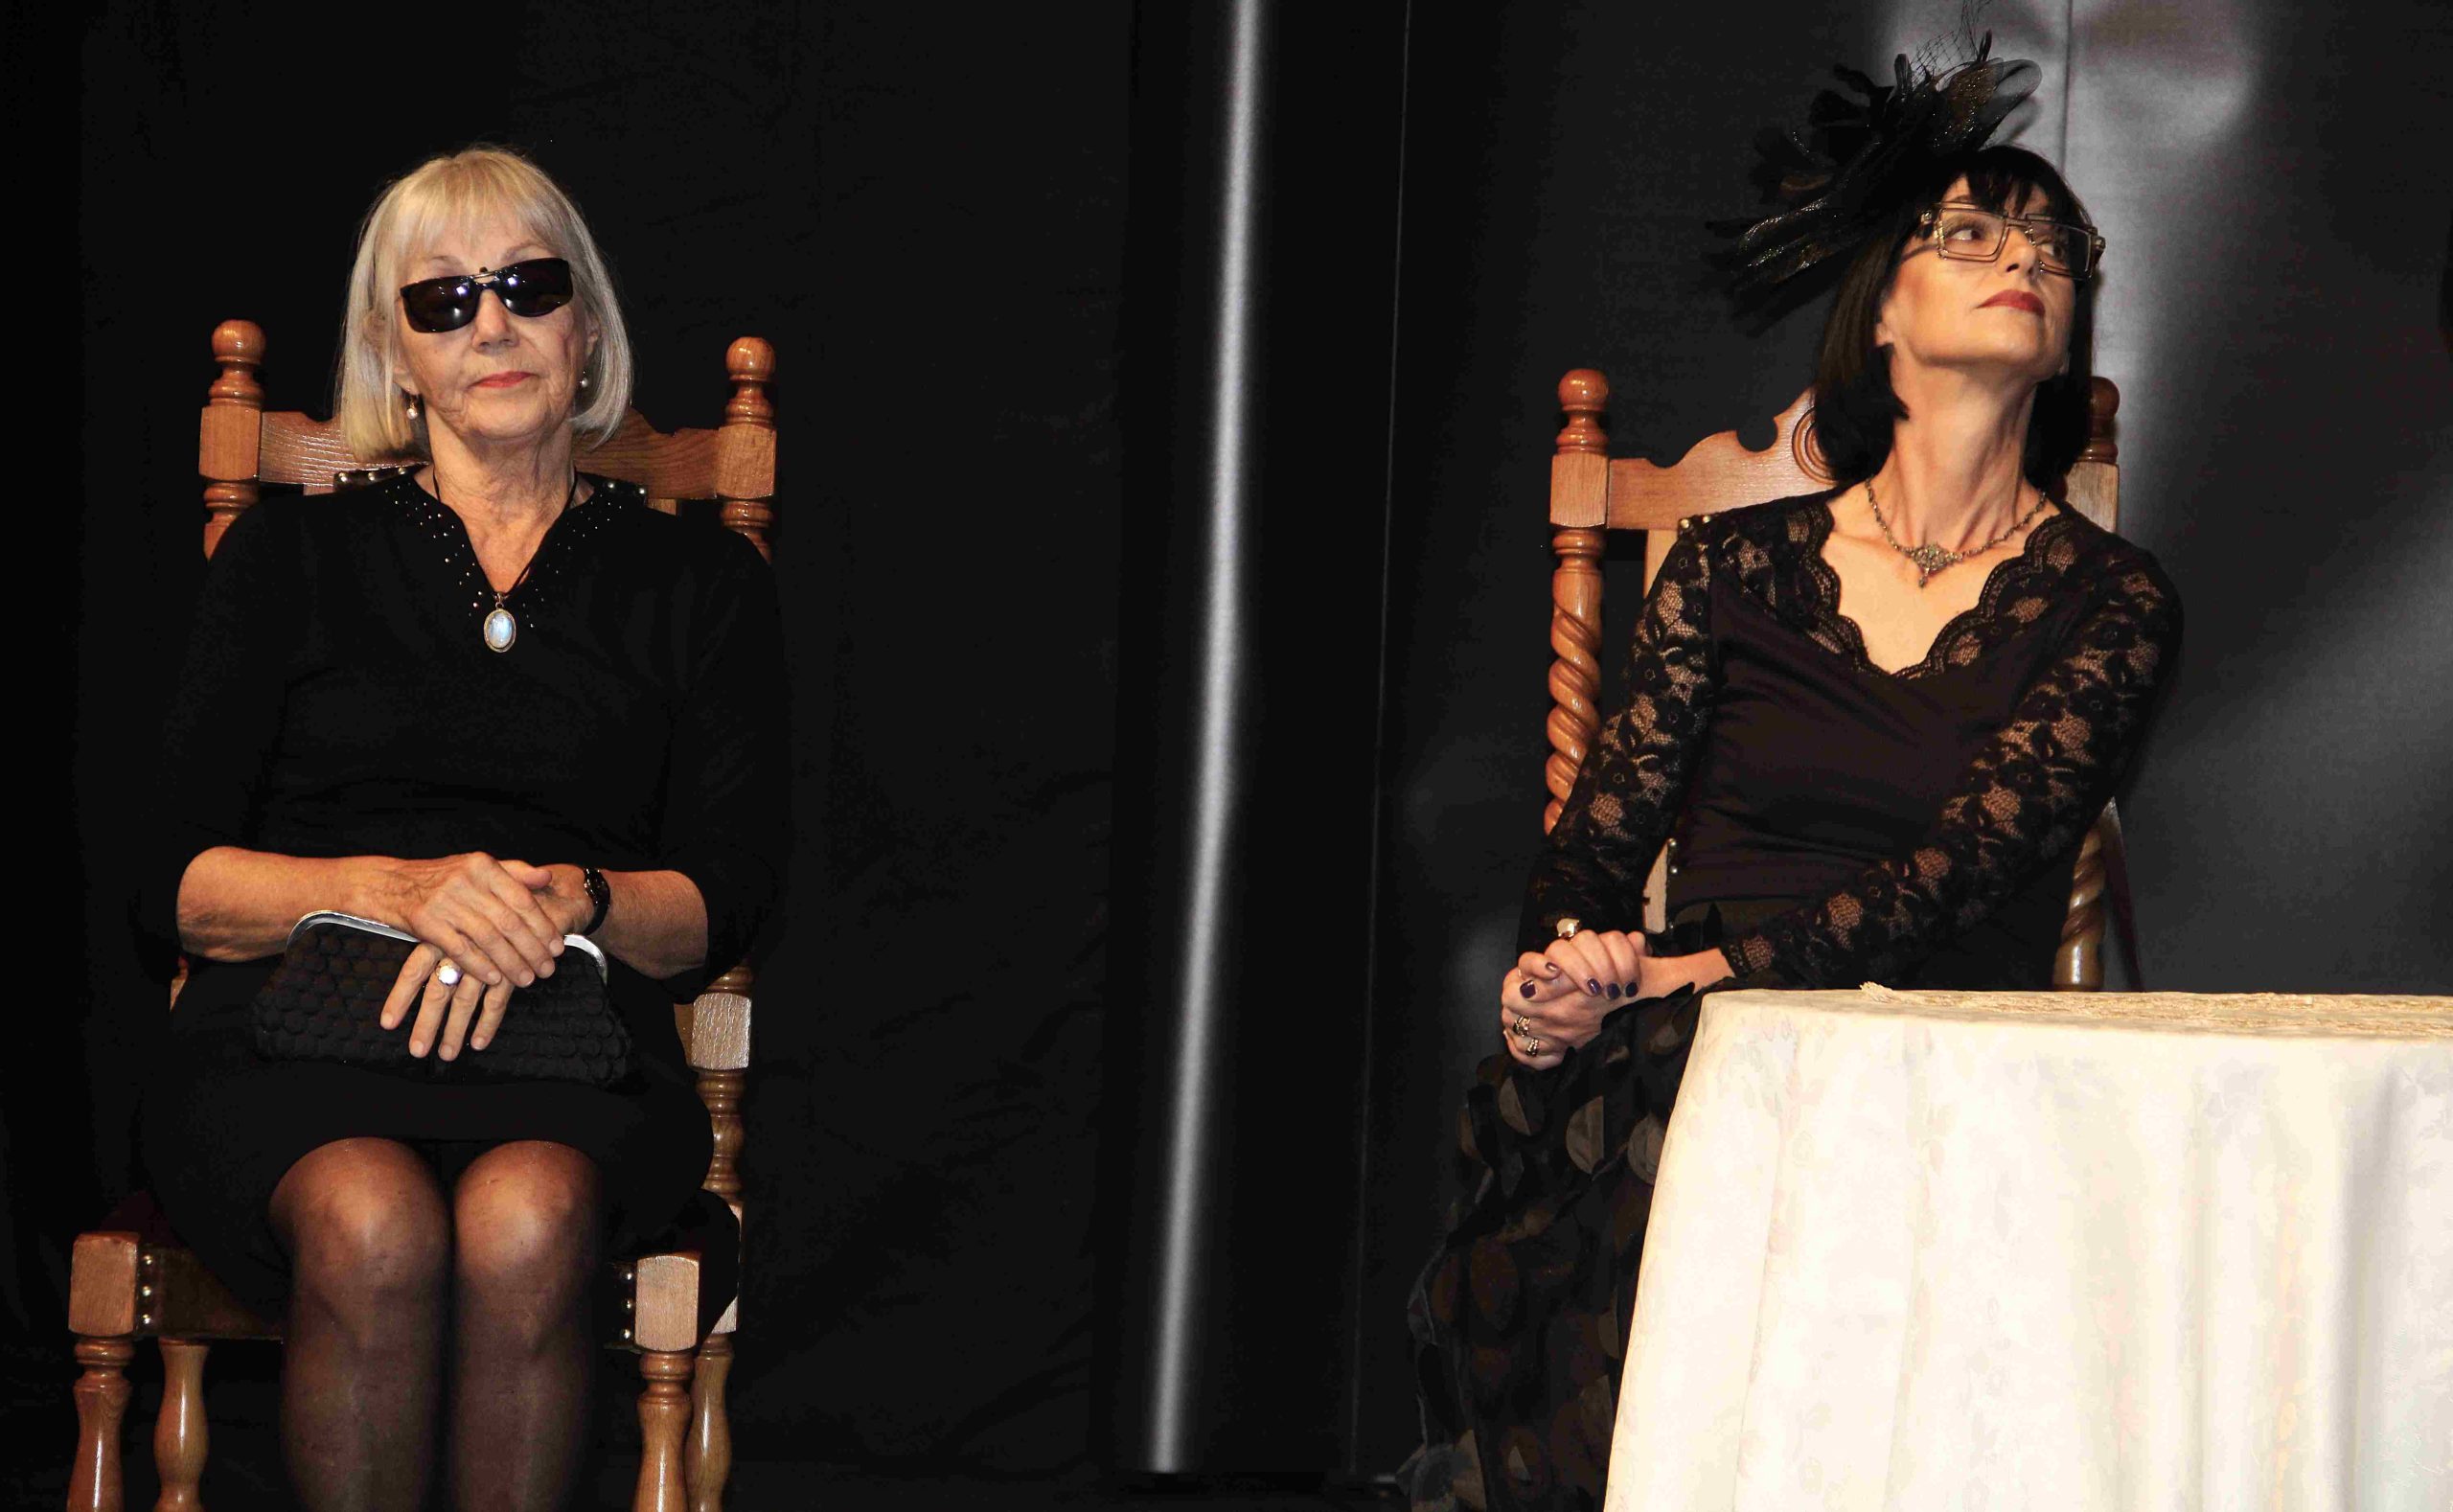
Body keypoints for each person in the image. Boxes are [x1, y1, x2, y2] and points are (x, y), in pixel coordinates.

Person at [1406, 44, 2180, 1512]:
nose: (2023, 260)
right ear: (1881, 307)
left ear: (2070, 331)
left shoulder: (2113, 600)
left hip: (1946, 1042)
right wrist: (1563, 968)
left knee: (1736, 1098)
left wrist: (1688, 971)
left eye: (2051, 247)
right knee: (1663, 1095)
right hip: (1695, 1040)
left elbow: (1959, 876)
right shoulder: (1731, 567)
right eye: (1971, 231)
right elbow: (1598, 843)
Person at [135, 146, 785, 1511]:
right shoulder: (287, 560)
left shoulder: (701, 581)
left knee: (526, 1218)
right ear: (397, 354)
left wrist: (570, 899)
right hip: (293, 1037)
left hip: (570, 1044)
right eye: (444, 300)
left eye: (528, 287)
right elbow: (170, 882)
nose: (491, 325)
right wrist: (397, 889)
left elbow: (724, 898)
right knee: (370, 1220)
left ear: (585, 325)